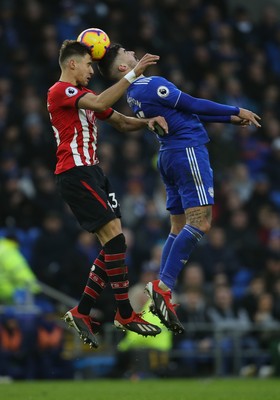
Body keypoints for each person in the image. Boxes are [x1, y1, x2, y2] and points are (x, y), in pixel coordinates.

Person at [97, 43, 261, 334]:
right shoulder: (150, 84)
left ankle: (162, 287)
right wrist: (237, 108)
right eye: (126, 53)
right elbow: (194, 104)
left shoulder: (133, 94)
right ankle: (164, 286)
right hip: (188, 152)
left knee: (178, 227)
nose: (132, 53)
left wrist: (229, 119)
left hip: (169, 156)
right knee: (202, 223)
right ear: (123, 68)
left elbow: (186, 110)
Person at [47, 40, 168, 348]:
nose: (92, 70)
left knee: (115, 242)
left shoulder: (85, 97)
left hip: (94, 173)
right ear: (72, 64)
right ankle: (124, 312)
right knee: (115, 239)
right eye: (89, 65)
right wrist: (133, 73)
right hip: (75, 173)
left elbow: (121, 121)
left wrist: (148, 123)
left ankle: (82, 310)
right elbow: (102, 104)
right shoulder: (60, 91)